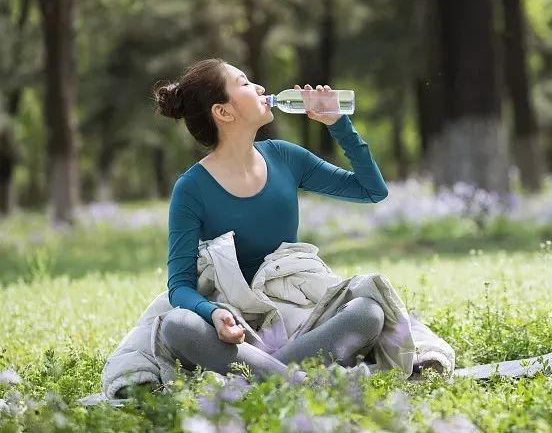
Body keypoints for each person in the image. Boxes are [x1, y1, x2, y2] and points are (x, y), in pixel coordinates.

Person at [152, 57, 389, 386]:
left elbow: (371, 190)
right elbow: (179, 286)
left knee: (368, 312)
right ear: (223, 112)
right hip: (238, 324)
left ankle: (268, 377)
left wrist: (338, 123)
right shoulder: (192, 188)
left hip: (297, 312)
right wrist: (214, 313)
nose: (261, 88)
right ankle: (298, 380)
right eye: (245, 83)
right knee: (176, 325)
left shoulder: (284, 157)